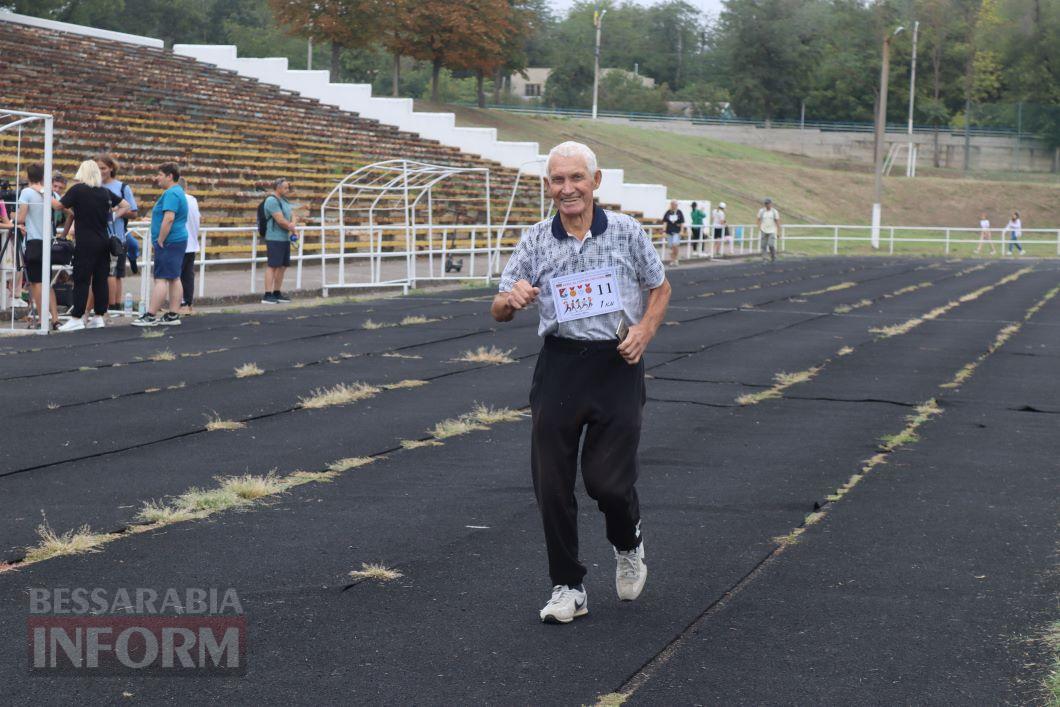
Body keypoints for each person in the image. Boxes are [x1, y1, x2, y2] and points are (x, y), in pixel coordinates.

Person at [491, 141, 671, 624]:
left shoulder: (627, 232)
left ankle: (627, 542)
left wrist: (644, 331)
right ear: (548, 186)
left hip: (616, 364)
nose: (566, 189)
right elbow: (498, 308)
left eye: (575, 178)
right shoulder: (535, 240)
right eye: (557, 180)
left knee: (606, 484)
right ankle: (568, 585)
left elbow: (660, 286)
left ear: (595, 182)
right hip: (560, 366)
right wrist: (513, 298)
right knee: (550, 482)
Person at [57, 160, 130, 332]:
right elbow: (126, 206)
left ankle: (77, 317)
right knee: (100, 280)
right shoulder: (104, 192)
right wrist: (112, 216)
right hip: (103, 241)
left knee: (82, 279)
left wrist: (45, 196)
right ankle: (99, 316)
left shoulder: (77, 190)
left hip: (86, 242)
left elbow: (60, 205)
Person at [133, 163, 188, 327]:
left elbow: (169, 218)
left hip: (169, 240)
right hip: (177, 239)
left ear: (169, 176)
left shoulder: (171, 193)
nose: (157, 178)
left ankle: (150, 315)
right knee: (174, 277)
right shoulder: (178, 191)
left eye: (160, 174)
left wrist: (161, 239)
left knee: (161, 279)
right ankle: (172, 314)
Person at [15, 164, 59, 329]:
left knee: (36, 283)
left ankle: (42, 319)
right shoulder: (50, 192)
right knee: (47, 283)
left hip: (33, 241)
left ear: (28, 176)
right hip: (47, 241)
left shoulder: (26, 192)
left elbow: (21, 217)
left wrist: (12, 216)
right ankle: (55, 318)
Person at [96, 154, 138, 316]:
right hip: (100, 235)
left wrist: (116, 212)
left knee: (113, 275)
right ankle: (114, 307)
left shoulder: (122, 188)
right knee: (112, 274)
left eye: (104, 168)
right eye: (98, 168)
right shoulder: (94, 186)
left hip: (117, 237)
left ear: (111, 168)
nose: (101, 171)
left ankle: (113, 306)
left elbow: (133, 212)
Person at [261, 178, 298, 304]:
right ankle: (267, 294)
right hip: (274, 237)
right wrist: (292, 227)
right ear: (278, 188)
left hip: (284, 237)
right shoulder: (272, 200)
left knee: (282, 266)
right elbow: (280, 220)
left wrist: (292, 224)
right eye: (285, 188)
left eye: (288, 188)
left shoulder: (284, 200)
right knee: (272, 266)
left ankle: (277, 292)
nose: (288, 190)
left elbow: (293, 214)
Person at [178, 177, 201, 315]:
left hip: (180, 242)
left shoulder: (178, 198)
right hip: (192, 242)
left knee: (177, 276)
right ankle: (187, 303)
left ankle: (180, 303)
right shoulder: (193, 200)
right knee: (187, 275)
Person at [756, 197, 781, 262]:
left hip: (772, 230)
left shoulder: (774, 212)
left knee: (771, 244)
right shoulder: (761, 211)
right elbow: (758, 219)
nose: (767, 205)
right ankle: (764, 258)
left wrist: (778, 232)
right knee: (763, 245)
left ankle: (773, 256)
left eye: (768, 203)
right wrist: (759, 226)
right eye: (765, 204)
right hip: (763, 230)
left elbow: (777, 221)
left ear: (771, 204)